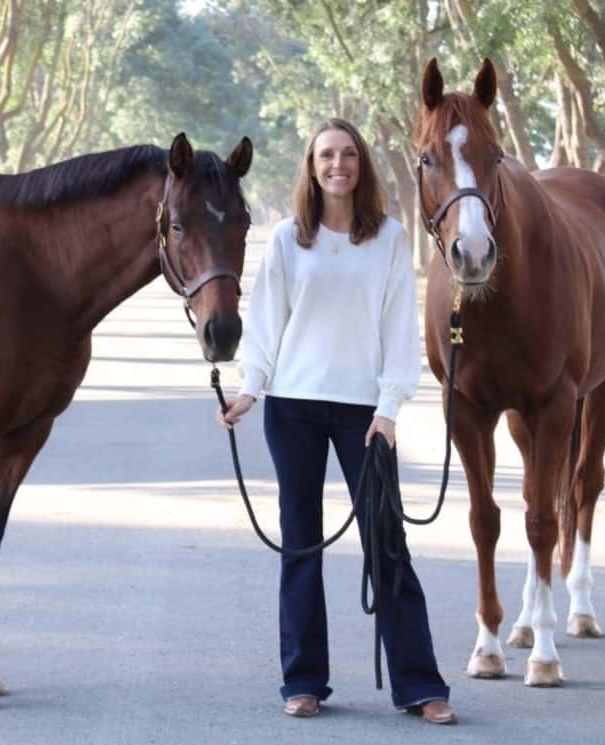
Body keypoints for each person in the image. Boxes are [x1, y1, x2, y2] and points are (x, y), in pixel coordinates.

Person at [217, 118, 457, 725]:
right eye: (327, 155)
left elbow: (399, 328)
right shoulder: (287, 242)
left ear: (362, 164)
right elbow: (268, 321)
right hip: (292, 407)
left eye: (348, 154)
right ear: (311, 165)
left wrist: (390, 408)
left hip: (363, 416)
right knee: (300, 545)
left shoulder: (391, 239)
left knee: (387, 545)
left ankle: (420, 684)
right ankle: (302, 681)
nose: (338, 165)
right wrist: (250, 389)